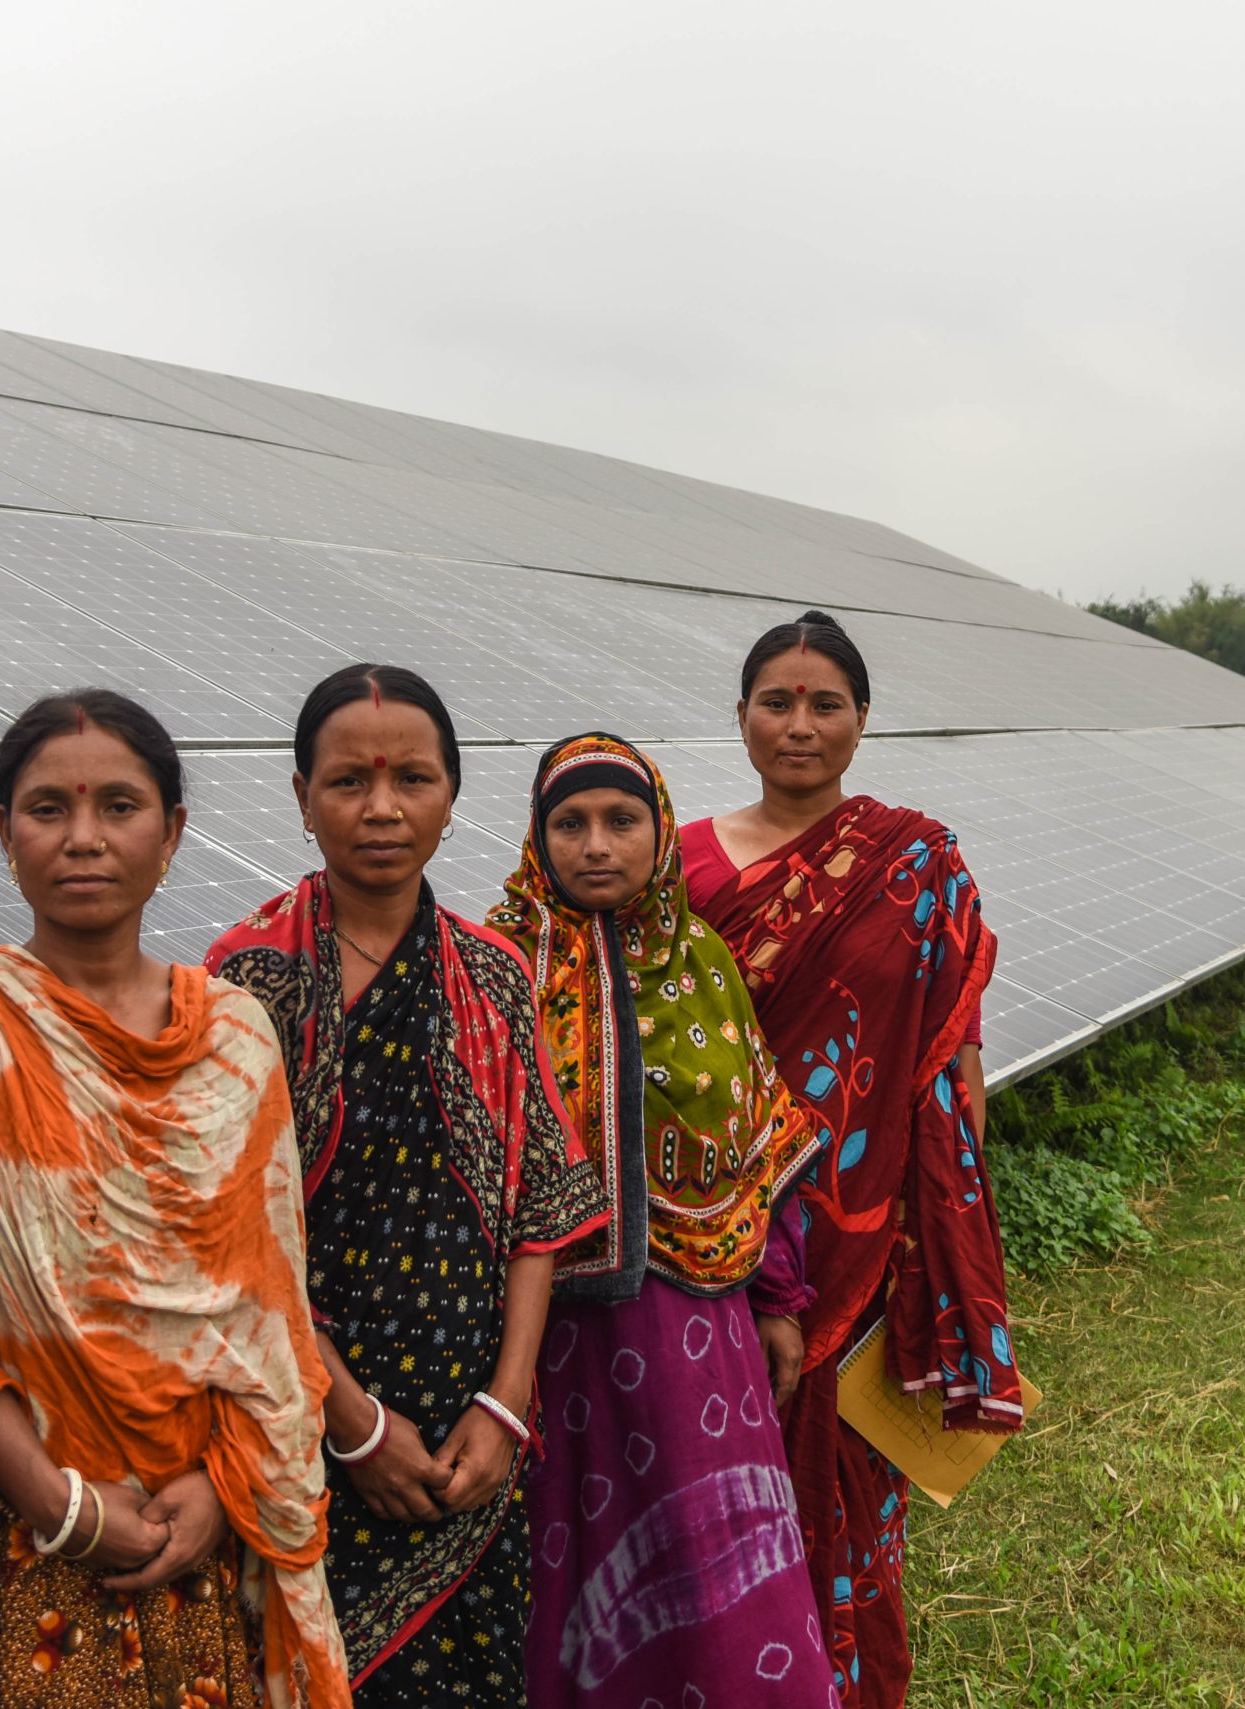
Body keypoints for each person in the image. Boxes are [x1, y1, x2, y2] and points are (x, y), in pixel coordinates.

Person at [0, 689, 350, 1709]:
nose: (83, 837)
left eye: (120, 806)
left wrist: (222, 1490)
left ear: (173, 831)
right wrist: (53, 1499)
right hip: (18, 1532)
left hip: (205, 1542)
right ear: (6, 829)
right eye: (47, 807)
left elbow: (269, 1308)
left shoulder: (235, 1035)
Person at [206, 664, 611, 1707]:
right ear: (301, 797)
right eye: (348, 780)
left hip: (471, 1436)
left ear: (450, 794)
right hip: (300, 1425)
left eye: (412, 778)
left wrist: (505, 1403)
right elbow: (230, 1232)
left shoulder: (492, 972)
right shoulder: (244, 980)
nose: (381, 807)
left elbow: (536, 1209)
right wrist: (349, 1418)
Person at [679, 612, 1021, 1709]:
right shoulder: (673, 862)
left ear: (862, 720)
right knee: (705, 1494)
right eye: (775, 701)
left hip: (862, 1241)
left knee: (845, 1484)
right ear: (739, 715)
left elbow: (947, 1055)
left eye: (825, 703)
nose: (799, 724)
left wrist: (939, 1219)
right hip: (703, 1230)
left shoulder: (914, 863)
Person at [487, 733, 841, 1709]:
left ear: (659, 830)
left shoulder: (704, 965)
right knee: (574, 1541)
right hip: (547, 1339)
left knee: (709, 1547)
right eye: (569, 822)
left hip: (699, 1329)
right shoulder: (498, 965)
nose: (595, 844)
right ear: (536, 834)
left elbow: (754, 1138)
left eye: (621, 819)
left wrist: (778, 1296)